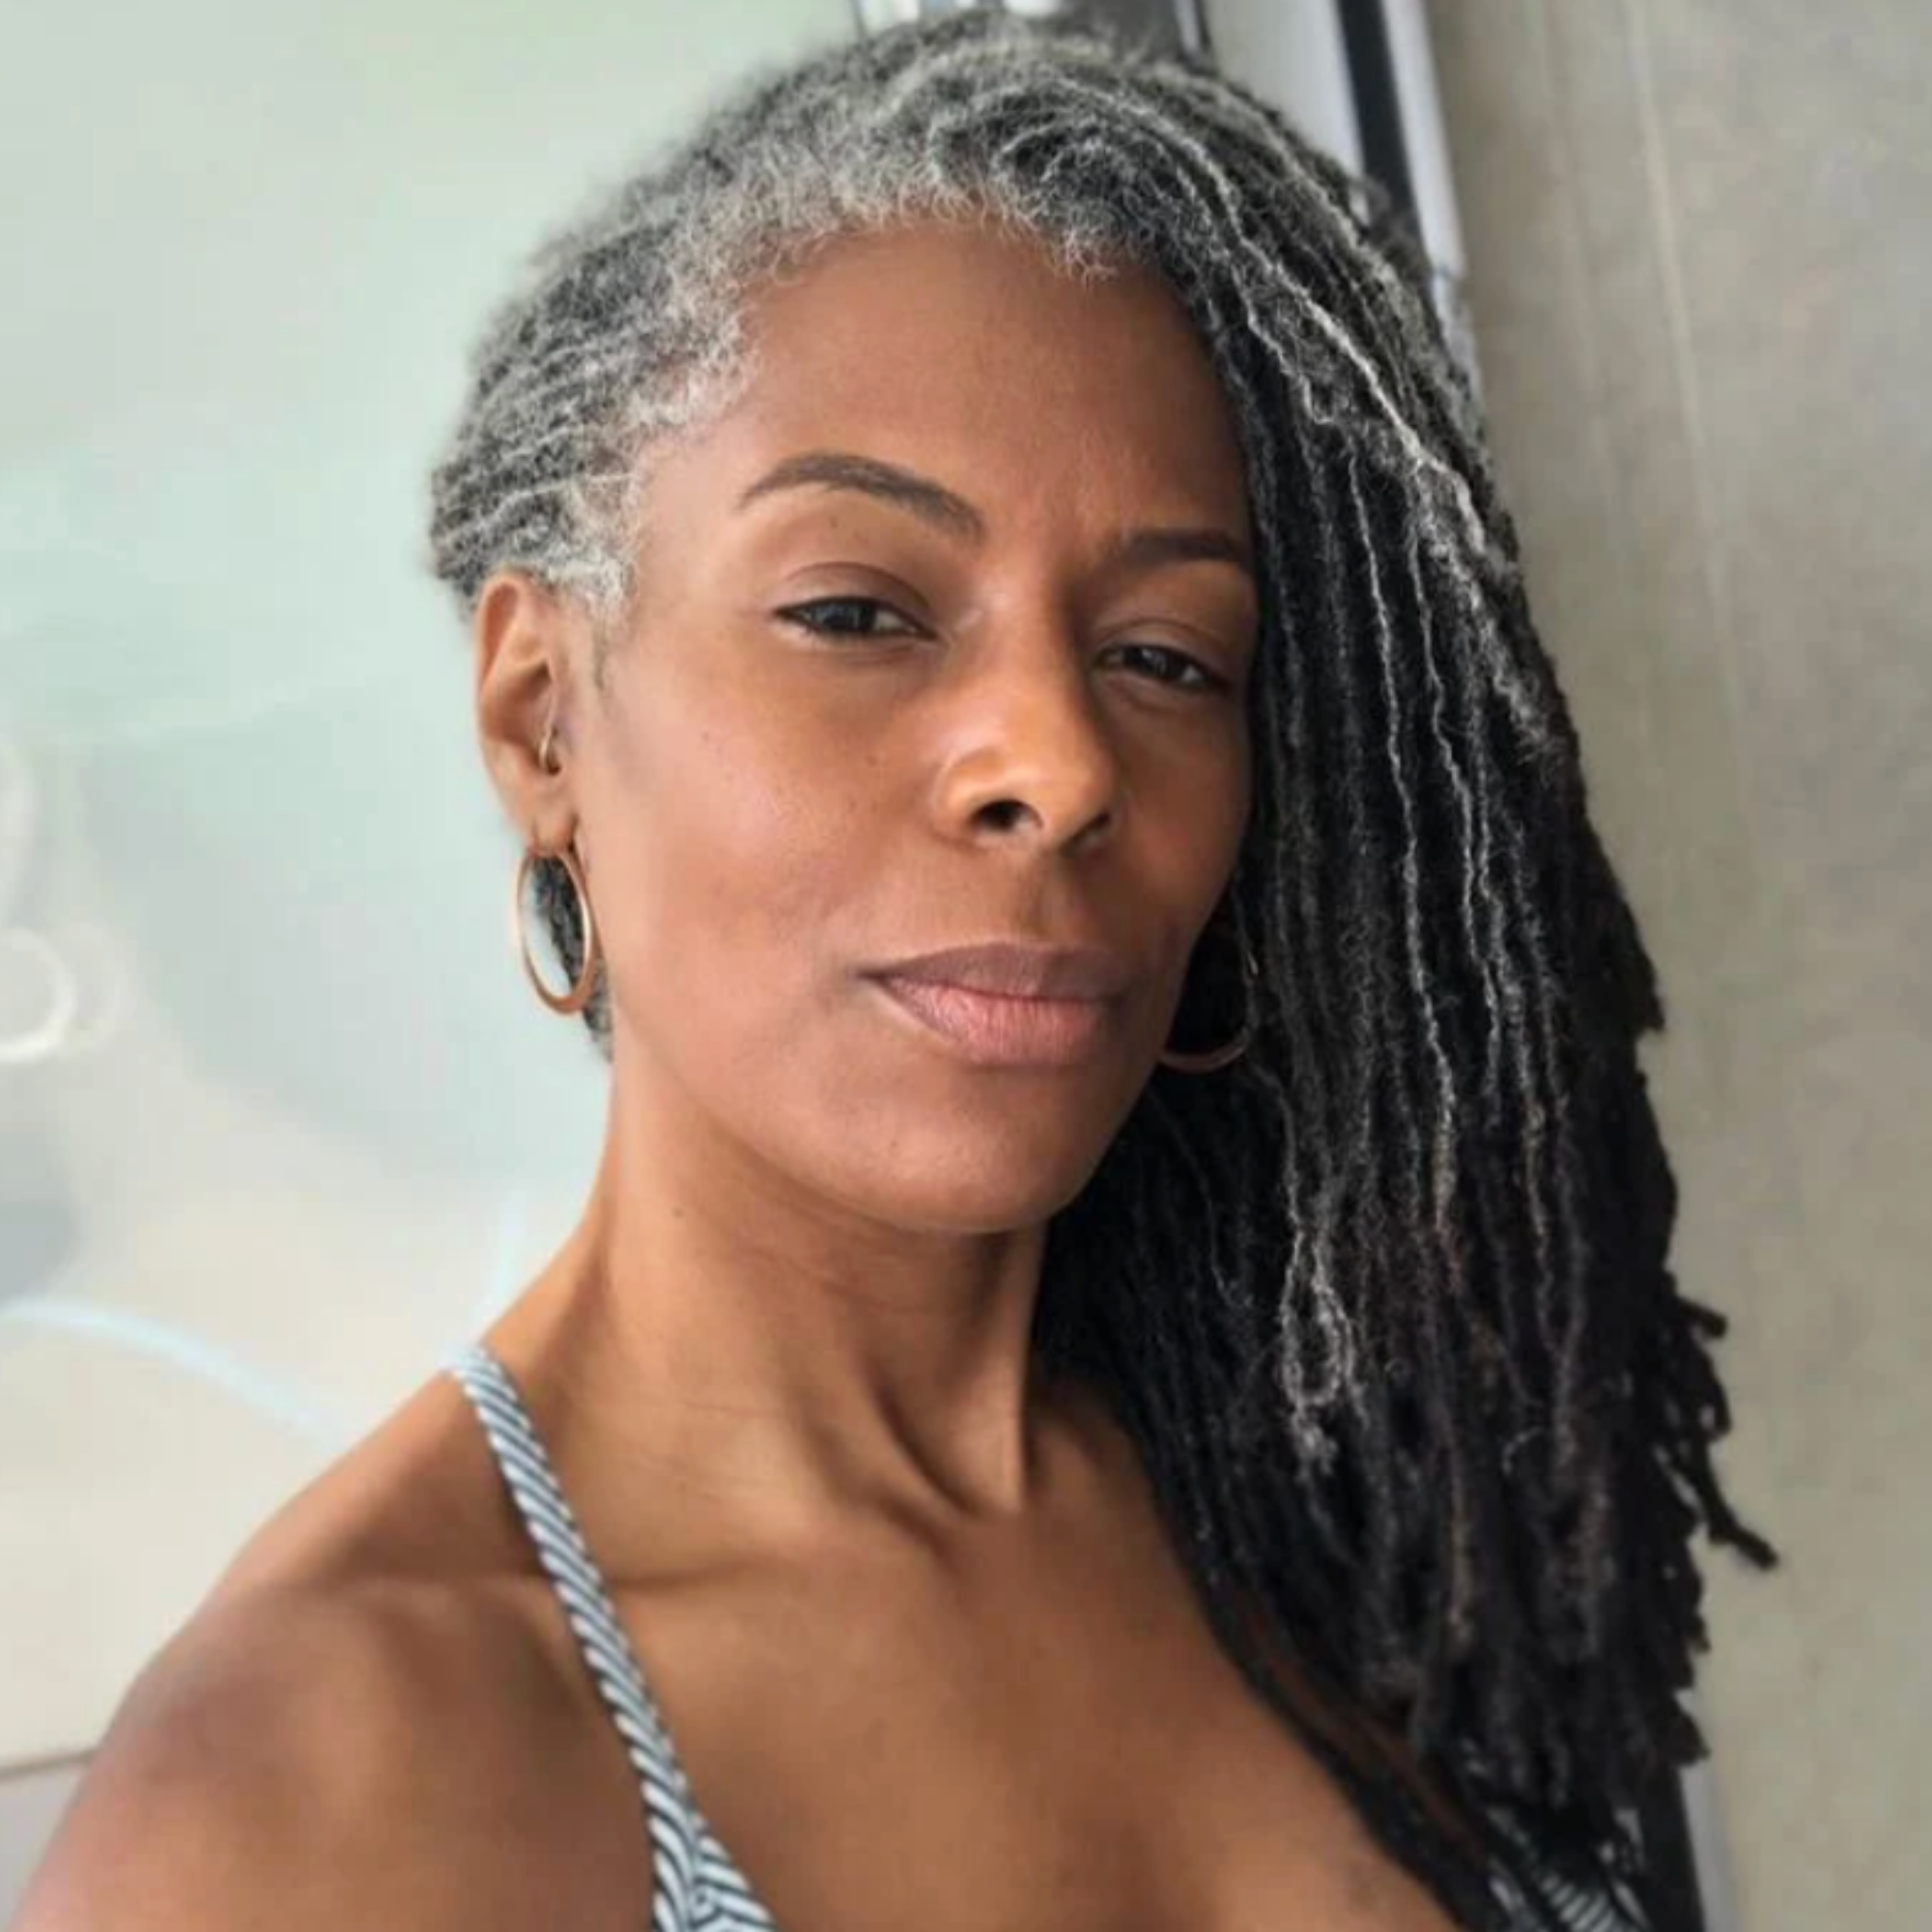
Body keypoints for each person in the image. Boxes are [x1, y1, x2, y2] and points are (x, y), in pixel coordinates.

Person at [13, 13, 1776, 1931]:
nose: (1059, 763)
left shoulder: (1361, 1505)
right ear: (540, 716)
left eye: (1165, 656)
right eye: (858, 611)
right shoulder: (317, 1790)